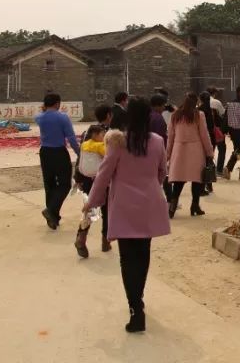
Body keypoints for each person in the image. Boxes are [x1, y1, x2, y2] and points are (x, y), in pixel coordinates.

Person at [83, 97, 171, 333]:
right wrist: (152, 187)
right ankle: (138, 299)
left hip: (124, 205)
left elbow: (103, 174)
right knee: (143, 255)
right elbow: (163, 171)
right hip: (149, 204)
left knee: (127, 258)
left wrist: (92, 201)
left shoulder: (117, 142)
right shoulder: (157, 141)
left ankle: (135, 308)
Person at [166, 92, 214, 218]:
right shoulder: (198, 115)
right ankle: (195, 205)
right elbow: (204, 135)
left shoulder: (175, 116)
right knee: (197, 180)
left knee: (178, 180)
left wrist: (168, 154)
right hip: (196, 150)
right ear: (195, 103)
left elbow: (170, 137)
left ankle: (172, 206)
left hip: (179, 149)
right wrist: (209, 152)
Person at [37, 92, 80, 230]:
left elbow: (42, 114)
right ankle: (51, 211)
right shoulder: (62, 118)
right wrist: (79, 153)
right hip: (59, 152)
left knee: (49, 184)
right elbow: (71, 138)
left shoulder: (39, 118)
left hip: (45, 152)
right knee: (65, 184)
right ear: (57, 103)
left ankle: (53, 218)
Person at [74, 122, 110, 258]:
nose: (104, 136)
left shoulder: (84, 144)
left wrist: (78, 179)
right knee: (107, 211)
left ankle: (81, 237)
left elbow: (79, 162)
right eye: (102, 134)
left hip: (87, 181)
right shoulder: (101, 146)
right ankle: (105, 242)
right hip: (102, 182)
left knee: (89, 209)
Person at [199, 91, 219, 194]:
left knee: (202, 162)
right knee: (209, 161)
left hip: (202, 138)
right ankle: (209, 184)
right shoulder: (212, 110)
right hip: (211, 137)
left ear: (200, 99)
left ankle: (202, 185)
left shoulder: (199, 111)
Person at [208, 87, 228, 174]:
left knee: (209, 150)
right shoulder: (216, 102)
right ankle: (219, 170)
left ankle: (209, 168)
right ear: (214, 93)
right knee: (222, 149)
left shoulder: (200, 104)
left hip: (206, 130)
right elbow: (223, 113)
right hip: (217, 129)